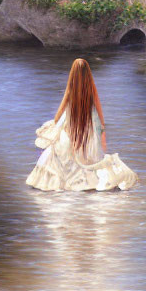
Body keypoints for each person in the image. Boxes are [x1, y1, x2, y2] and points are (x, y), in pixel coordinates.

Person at [26, 58, 139, 192]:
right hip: (89, 123)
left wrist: (56, 123)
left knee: (63, 151)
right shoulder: (91, 88)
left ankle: (63, 181)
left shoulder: (71, 87)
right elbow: (98, 107)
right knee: (88, 152)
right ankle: (86, 181)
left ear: (72, 73)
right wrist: (102, 128)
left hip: (70, 122)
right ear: (88, 73)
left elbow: (60, 111)